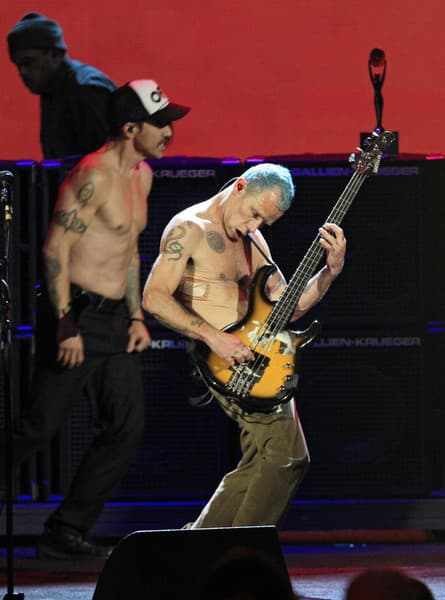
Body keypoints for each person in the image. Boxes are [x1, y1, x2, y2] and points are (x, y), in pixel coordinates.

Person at [0, 79, 190, 558]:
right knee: (38, 428)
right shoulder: (93, 175)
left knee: (125, 426)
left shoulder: (141, 176)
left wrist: (135, 315)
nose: (169, 133)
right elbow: (55, 248)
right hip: (75, 315)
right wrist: (65, 323)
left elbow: (128, 251)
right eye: (161, 124)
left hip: (114, 321)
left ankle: (65, 530)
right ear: (130, 129)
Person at [142, 162, 346, 527]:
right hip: (223, 362)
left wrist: (329, 272)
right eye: (254, 214)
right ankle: (243, 547)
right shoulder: (190, 228)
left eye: (264, 222)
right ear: (239, 187)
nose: (254, 227)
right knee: (286, 457)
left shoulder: (254, 240)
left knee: (265, 461)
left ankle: (204, 544)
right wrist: (213, 337)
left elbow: (287, 307)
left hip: (261, 359)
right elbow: (154, 297)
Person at [7, 12, 117, 158]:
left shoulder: (85, 90)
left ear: (55, 54)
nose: (22, 72)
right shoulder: (51, 88)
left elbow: (108, 161)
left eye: (28, 62)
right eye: (18, 65)